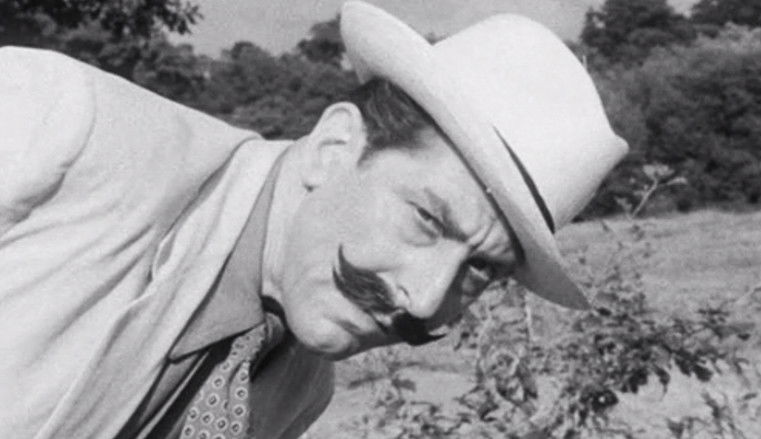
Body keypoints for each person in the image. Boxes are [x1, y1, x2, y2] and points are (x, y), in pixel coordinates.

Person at [0, 1, 627, 438]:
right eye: (428, 221)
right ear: (334, 147)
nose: (426, 298)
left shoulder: (300, 388)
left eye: (481, 269)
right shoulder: (55, 127)